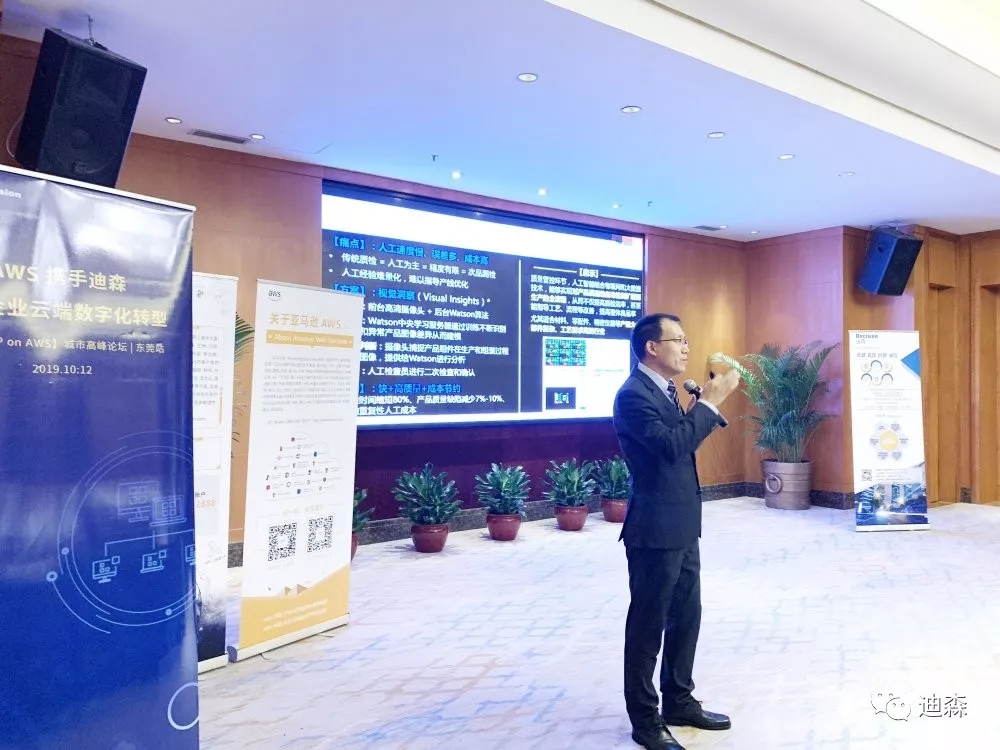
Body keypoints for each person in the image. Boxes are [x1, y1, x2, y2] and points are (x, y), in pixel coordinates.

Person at [612, 312, 741, 750]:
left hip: (683, 523)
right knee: (648, 626)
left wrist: (699, 407)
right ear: (652, 347)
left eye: (686, 340)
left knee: (686, 616)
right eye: (678, 340)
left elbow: (680, 441)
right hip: (654, 529)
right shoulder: (633, 395)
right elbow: (671, 447)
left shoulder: (666, 390)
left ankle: (679, 701)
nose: (686, 347)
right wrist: (709, 404)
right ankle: (644, 719)